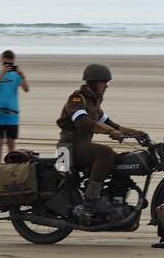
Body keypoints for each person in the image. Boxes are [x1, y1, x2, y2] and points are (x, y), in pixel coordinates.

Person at [55, 62, 147, 221]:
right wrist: (111, 132)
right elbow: (82, 121)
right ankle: (90, 202)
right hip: (69, 146)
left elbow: (111, 124)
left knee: (119, 158)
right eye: (104, 82)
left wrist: (136, 133)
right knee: (104, 153)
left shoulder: (94, 103)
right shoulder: (77, 99)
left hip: (81, 146)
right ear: (93, 82)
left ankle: (113, 196)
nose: (107, 86)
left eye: (107, 82)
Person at [0, 49, 28, 170]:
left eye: (9, 64)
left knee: (11, 145)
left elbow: (26, 89)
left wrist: (22, 76)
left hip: (12, 114)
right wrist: (1, 74)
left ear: (13, 63)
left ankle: (12, 169)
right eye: (5, 64)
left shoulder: (16, 75)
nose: (7, 66)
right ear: (1, 61)